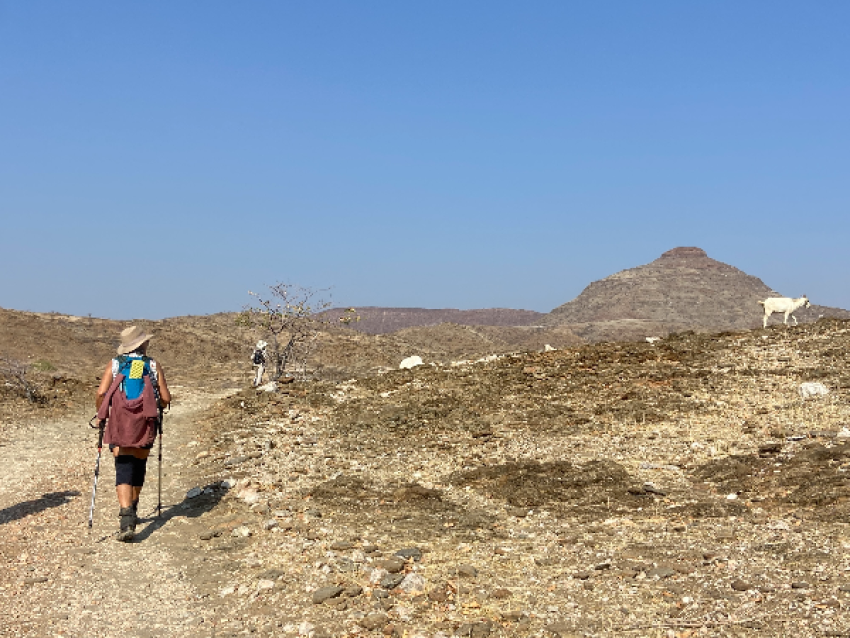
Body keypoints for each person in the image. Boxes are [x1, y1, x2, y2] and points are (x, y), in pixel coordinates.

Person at [96, 326, 171, 541]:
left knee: (123, 467)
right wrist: (159, 405)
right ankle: (133, 509)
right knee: (139, 465)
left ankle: (126, 517)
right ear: (142, 344)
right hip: (145, 422)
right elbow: (165, 398)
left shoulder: (116, 363)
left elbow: (101, 392)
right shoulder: (153, 365)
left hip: (120, 422)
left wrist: (102, 414)